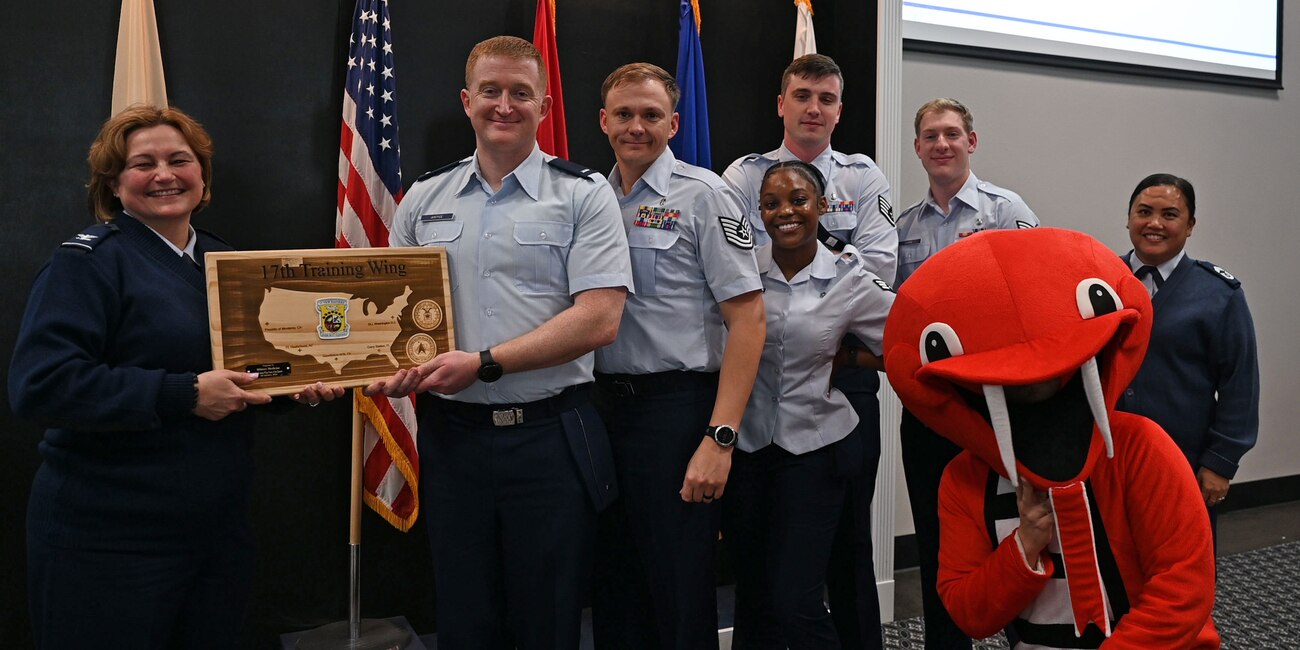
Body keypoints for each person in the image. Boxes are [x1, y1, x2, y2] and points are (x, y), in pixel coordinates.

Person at [8, 105, 343, 648]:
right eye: (143, 164)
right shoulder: (87, 263)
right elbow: (41, 384)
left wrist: (294, 387)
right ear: (114, 184)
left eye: (179, 160)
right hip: (109, 536)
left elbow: (248, 371)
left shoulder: (225, 261)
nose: (164, 174)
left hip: (216, 530)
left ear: (202, 177)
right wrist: (184, 394)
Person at [366, 36, 632, 649]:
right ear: (467, 101)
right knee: (464, 619)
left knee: (549, 620)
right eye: (490, 91)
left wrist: (485, 363)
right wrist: (340, 368)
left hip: (550, 440)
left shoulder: (583, 193)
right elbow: (389, 318)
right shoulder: (424, 198)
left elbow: (599, 319)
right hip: (453, 440)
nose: (504, 105)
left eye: (520, 93)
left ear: (544, 106)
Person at [722, 53, 895, 649]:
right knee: (758, 573)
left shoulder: (861, 177)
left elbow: (878, 268)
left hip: (841, 379)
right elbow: (729, 264)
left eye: (826, 99)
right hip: (754, 390)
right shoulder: (744, 175)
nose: (813, 109)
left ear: (840, 110)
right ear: (781, 104)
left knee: (846, 549)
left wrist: (844, 348)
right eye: (802, 96)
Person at [590, 63, 765, 650]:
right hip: (603, 412)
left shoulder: (705, 196)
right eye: (624, 114)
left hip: (676, 414)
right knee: (615, 587)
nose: (636, 126)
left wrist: (720, 439)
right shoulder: (589, 199)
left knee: (679, 592)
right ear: (603, 121)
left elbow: (749, 320)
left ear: (674, 124)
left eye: (651, 115)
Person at [894, 97, 1039, 649]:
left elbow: (1033, 300)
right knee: (938, 543)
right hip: (932, 411)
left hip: (995, 409)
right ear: (917, 148)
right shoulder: (904, 227)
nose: (942, 144)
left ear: (971, 142)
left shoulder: (1006, 210)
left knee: (1014, 530)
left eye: (952, 134)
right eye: (931, 136)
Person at [1117, 173, 1259, 539]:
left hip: (1184, 458)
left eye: (1170, 214)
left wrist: (1220, 462)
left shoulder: (1218, 293)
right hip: (1108, 456)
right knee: (1111, 555)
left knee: (1181, 555)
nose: (1154, 223)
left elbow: (1240, 385)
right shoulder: (1098, 281)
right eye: (1144, 212)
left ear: (1190, 225)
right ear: (1128, 218)